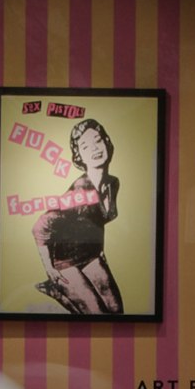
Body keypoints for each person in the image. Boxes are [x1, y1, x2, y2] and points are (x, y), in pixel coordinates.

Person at [34, 119, 127, 317]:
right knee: (97, 314)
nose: (94, 148)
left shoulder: (112, 184)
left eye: (97, 140)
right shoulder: (79, 191)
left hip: (91, 254)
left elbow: (98, 219)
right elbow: (40, 228)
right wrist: (51, 270)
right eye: (85, 146)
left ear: (107, 142)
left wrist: (99, 251)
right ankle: (56, 288)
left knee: (117, 312)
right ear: (79, 156)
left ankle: (62, 291)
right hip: (65, 261)